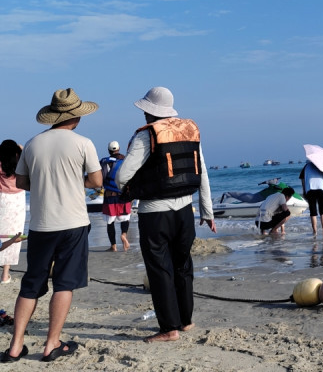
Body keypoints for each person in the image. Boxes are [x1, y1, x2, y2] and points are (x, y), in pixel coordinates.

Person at [2, 88, 102, 363]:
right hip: (73, 223)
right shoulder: (83, 143)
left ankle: (15, 346)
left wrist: (45, 184)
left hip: (41, 224)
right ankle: (51, 343)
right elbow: (96, 182)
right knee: (64, 284)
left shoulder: (32, 144)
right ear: (76, 117)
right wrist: (73, 183)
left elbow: (21, 182)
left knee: (30, 285)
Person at [115, 87, 216, 343]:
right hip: (185, 211)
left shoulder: (146, 135)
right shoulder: (189, 130)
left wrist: (136, 188)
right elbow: (201, 171)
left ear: (149, 111)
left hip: (155, 213)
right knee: (183, 264)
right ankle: (186, 321)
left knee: (160, 270)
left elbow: (122, 176)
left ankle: (169, 329)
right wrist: (207, 210)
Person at [0, 140, 25, 284]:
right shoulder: (19, 161)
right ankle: (5, 274)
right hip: (17, 200)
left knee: (2, 233)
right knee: (13, 235)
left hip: (2, 198)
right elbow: (26, 153)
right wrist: (19, 148)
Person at [100, 141, 132, 251]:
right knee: (125, 218)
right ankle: (124, 235)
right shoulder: (126, 160)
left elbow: (101, 178)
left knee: (110, 222)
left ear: (109, 151)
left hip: (110, 196)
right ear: (119, 149)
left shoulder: (105, 162)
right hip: (123, 195)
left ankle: (113, 246)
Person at [300, 160, 323, 238]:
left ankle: (315, 231)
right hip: (321, 188)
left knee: (313, 211)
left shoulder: (306, 166)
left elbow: (302, 179)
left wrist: (304, 190)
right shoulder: (322, 166)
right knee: (322, 211)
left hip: (310, 189)